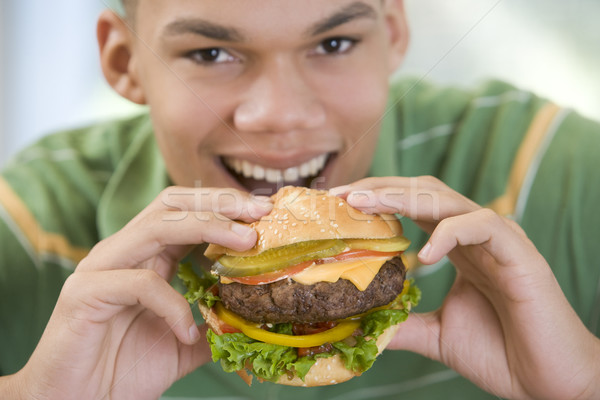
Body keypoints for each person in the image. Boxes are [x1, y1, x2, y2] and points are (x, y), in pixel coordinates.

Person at [1, 1, 599, 398]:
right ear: (124, 61)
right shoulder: (29, 226)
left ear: (392, 32)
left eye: (334, 43)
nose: (281, 115)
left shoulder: (557, 173)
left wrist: (580, 385)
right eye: (211, 54)